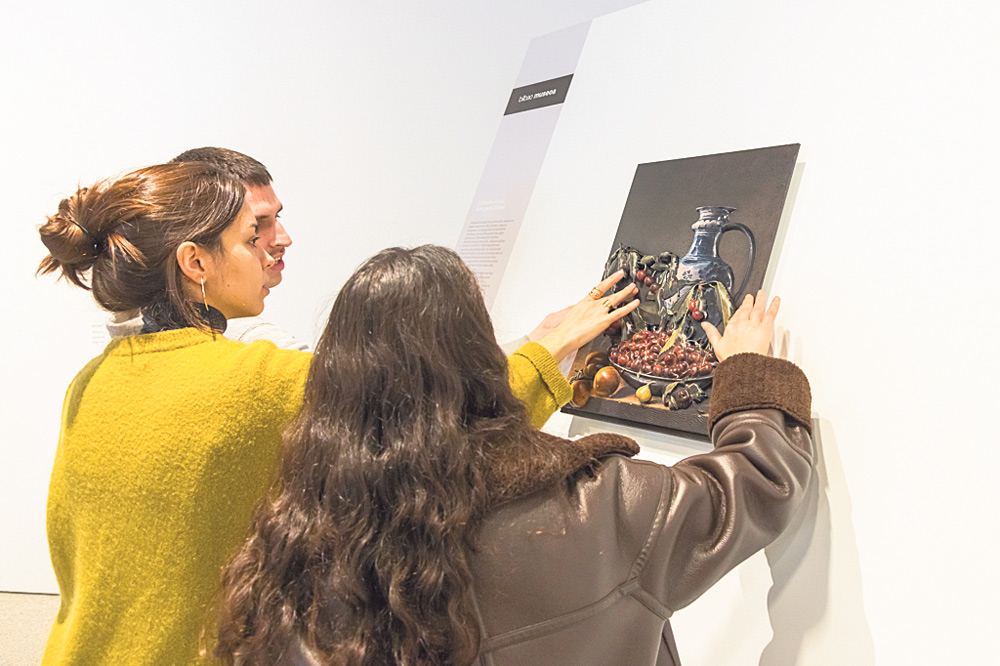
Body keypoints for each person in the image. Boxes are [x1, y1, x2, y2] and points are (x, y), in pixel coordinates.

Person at [37, 164, 636, 665]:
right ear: (195, 262)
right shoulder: (259, 383)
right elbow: (440, 427)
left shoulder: (91, 381)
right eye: (251, 237)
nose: (273, 247)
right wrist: (546, 352)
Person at [214, 246, 815, 666]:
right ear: (483, 359)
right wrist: (748, 372)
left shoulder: (294, 551)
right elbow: (759, 482)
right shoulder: (601, 505)